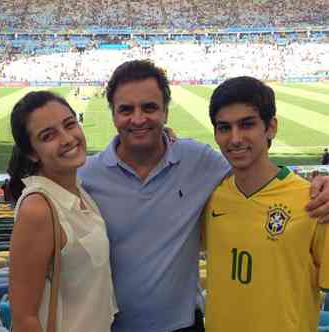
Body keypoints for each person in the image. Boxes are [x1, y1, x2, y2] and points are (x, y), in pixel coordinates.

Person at [78, 60, 329, 332]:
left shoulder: (200, 162)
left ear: (165, 112)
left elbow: (261, 180)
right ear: (113, 114)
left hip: (184, 327)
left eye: (149, 107)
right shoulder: (86, 177)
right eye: (126, 109)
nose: (138, 119)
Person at [203, 76, 329, 332]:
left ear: (271, 127)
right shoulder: (210, 197)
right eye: (224, 127)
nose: (235, 138)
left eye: (246, 124)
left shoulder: (315, 203)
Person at [8, 91, 117, 332]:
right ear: (31, 152)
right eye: (48, 136)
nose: (67, 138)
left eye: (70, 124)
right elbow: (24, 318)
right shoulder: (38, 209)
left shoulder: (76, 188)